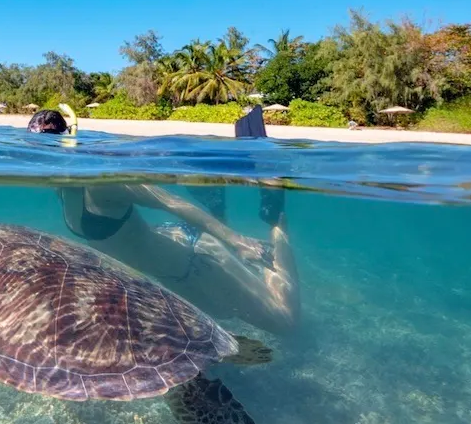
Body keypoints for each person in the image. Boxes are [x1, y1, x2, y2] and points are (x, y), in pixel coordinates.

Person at [27, 105, 301, 335]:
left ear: (66, 144)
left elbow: (173, 203)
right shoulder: (60, 184)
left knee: (285, 322)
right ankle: (219, 204)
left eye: (47, 149)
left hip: (195, 261)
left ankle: (274, 217)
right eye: (34, 151)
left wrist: (238, 241)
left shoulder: (102, 183)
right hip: (174, 275)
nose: (39, 161)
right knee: (220, 322)